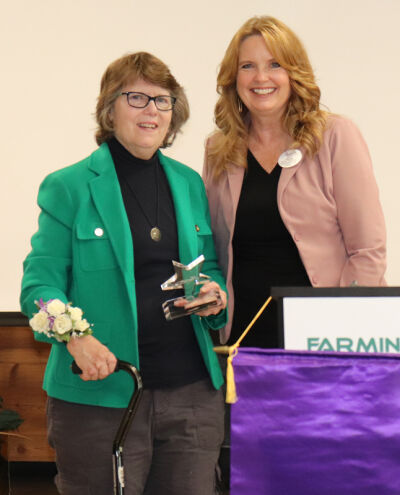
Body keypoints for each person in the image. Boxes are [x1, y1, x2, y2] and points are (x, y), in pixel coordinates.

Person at [20, 51, 227, 495]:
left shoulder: (190, 182)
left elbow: (208, 266)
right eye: (136, 97)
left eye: (164, 100)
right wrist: (75, 337)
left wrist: (215, 294)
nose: (152, 110)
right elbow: (38, 289)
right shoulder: (69, 186)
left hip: (191, 394)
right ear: (109, 110)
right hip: (102, 399)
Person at [203, 15, 386, 350]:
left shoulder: (334, 136)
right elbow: (216, 251)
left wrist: (341, 327)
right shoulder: (218, 150)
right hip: (245, 341)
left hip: (326, 340)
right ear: (233, 78)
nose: (261, 77)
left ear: (293, 72)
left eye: (275, 64)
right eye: (247, 66)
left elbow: (367, 250)